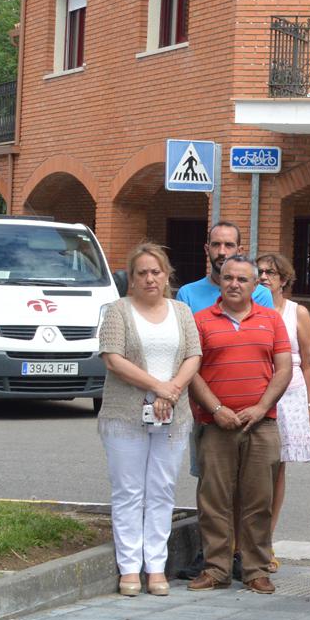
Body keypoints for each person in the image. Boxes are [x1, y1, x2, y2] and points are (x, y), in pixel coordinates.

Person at [98, 243, 201, 597]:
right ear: (131, 278)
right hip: (126, 414)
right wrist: (158, 387)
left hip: (172, 413)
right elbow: (113, 358)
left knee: (161, 489)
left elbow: (194, 355)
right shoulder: (117, 311)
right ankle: (129, 567)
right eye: (141, 273)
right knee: (128, 490)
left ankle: (156, 566)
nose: (149, 278)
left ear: (167, 275)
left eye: (156, 272)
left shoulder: (181, 311)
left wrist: (171, 391)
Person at [187, 255, 291, 594]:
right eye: (228, 278)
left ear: (254, 285)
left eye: (242, 279)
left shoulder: (271, 319)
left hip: (261, 424)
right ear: (220, 281)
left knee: (258, 500)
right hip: (215, 423)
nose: (234, 284)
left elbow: (284, 369)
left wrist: (261, 408)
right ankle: (215, 569)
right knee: (214, 500)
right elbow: (191, 372)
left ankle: (256, 569)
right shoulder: (200, 321)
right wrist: (216, 409)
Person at [256, 253, 310, 544]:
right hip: (257, 389)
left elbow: (309, 362)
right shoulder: (251, 309)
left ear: (284, 280)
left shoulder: (297, 312)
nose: (263, 277)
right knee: (254, 465)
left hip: (290, 393)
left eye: (271, 272)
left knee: (277, 467)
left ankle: (267, 537)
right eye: (260, 271)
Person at [175, 222, 274, 314]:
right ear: (207, 249)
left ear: (239, 251)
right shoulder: (187, 294)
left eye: (229, 245)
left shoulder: (260, 294)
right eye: (216, 245)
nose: (221, 252)